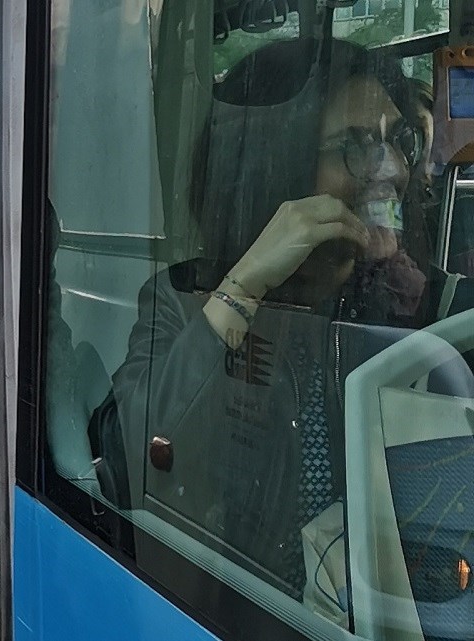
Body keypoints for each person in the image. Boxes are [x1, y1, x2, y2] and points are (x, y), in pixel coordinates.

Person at [105, 38, 472, 606]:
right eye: (355, 145)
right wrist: (246, 286)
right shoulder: (185, 299)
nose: (394, 169)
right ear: (276, 160)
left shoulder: (419, 305)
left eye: (397, 141)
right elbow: (135, 464)